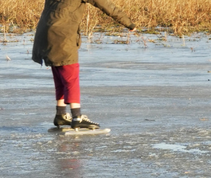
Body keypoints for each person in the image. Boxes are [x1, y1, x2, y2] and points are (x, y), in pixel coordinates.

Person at [32, 0, 137, 130]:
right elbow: (107, 6)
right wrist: (129, 24)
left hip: (45, 33)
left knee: (59, 73)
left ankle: (61, 114)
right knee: (71, 76)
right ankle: (77, 117)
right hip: (62, 35)